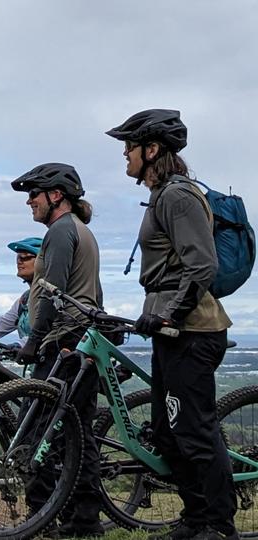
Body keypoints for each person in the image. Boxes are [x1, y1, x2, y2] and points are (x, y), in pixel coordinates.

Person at [107, 109, 237, 540]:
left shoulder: (178, 196)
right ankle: (196, 518)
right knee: (166, 432)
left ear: (152, 149)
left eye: (129, 146)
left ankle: (219, 525)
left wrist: (169, 313)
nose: (124, 154)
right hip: (172, 331)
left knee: (194, 431)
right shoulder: (162, 195)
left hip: (193, 331)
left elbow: (201, 265)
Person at [11, 163, 104, 537]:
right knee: (75, 432)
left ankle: (52, 517)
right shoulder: (80, 231)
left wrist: (35, 340)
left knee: (44, 430)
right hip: (79, 341)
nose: (29, 202)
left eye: (34, 194)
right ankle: (81, 518)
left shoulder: (62, 231)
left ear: (56, 196)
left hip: (64, 342)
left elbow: (53, 291)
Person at [0, 237, 42, 345]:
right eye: (18, 258)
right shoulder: (24, 300)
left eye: (26, 257)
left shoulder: (52, 296)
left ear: (42, 261)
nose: (19, 262)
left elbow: (48, 332)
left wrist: (19, 345)